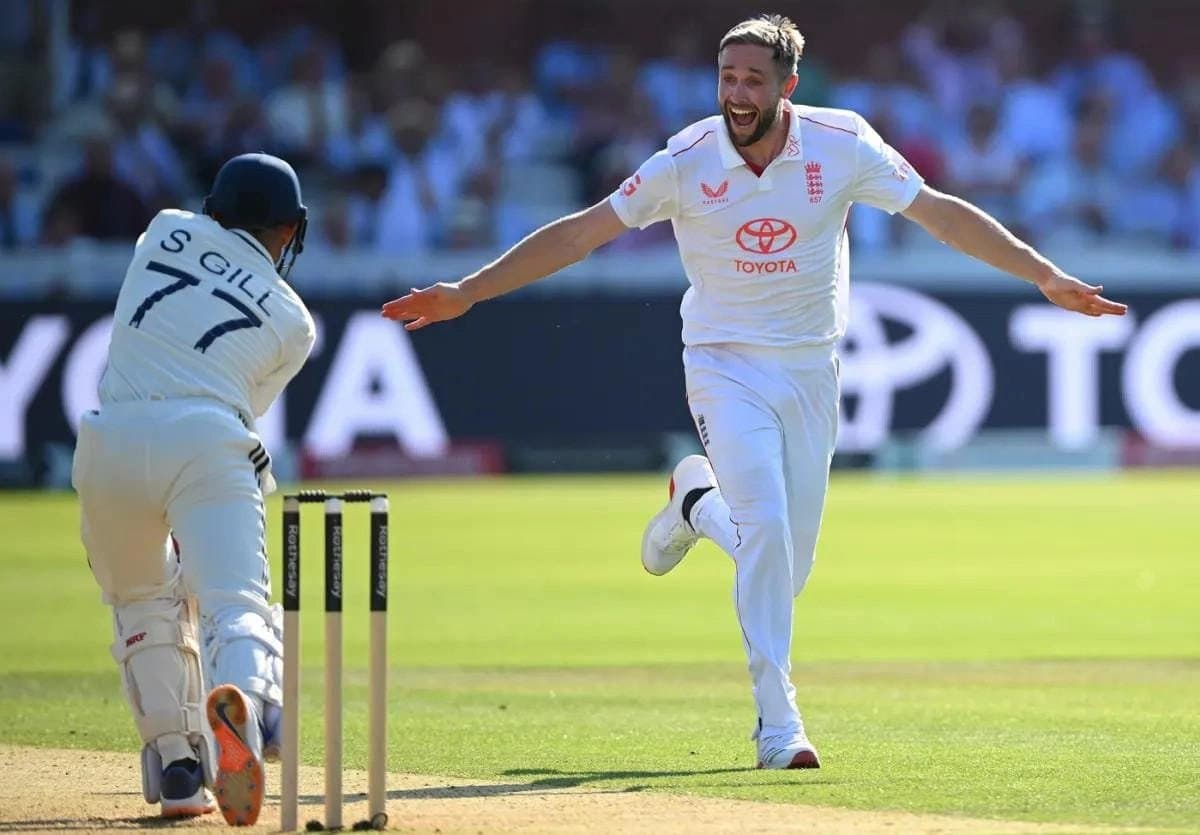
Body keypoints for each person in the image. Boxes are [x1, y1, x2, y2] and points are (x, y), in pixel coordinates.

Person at [380, 14, 1127, 770]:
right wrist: (469, 291)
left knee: (784, 569)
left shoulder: (842, 144)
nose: (736, 94)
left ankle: (696, 506)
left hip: (811, 368)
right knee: (766, 529)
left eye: (752, 81)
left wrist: (1043, 274)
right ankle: (779, 724)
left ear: (787, 87)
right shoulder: (686, 158)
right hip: (723, 362)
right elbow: (581, 233)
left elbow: (938, 212)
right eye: (727, 77)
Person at [71, 153, 315, 821]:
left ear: (215, 207)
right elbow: (241, 406)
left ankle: (177, 768)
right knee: (233, 603)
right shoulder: (294, 324)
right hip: (208, 439)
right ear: (290, 230)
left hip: (108, 441)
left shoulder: (163, 230)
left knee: (141, 603)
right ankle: (244, 713)